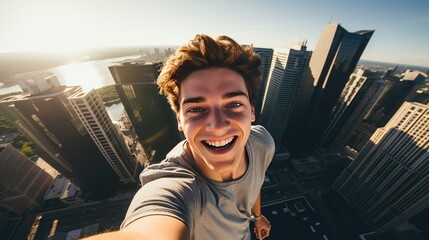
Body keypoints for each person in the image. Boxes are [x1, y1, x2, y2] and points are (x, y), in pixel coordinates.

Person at [86, 34, 275, 240]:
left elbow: (254, 184)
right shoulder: (175, 187)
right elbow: (149, 227)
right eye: (196, 109)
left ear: (252, 112)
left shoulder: (261, 143)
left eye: (234, 104)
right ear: (179, 120)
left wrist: (257, 216)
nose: (218, 126)